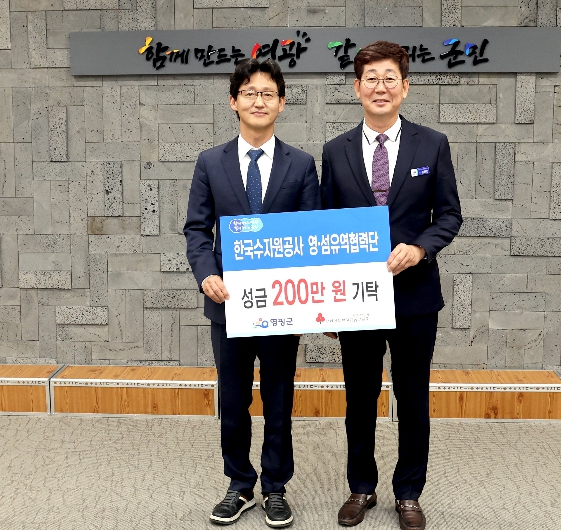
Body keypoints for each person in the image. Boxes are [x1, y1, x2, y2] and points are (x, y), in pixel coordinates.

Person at [320, 41, 462, 530]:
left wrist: (420, 248)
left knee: (413, 397)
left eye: (389, 79)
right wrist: (330, 305)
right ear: (356, 87)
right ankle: (361, 486)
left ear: (405, 87)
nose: (380, 87)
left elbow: (449, 216)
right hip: (357, 299)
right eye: (371, 79)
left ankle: (409, 492)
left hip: (415, 297)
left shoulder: (432, 144)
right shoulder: (335, 151)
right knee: (358, 397)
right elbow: (327, 229)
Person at [184, 58, 320, 528]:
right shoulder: (210, 162)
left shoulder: (301, 164)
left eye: (267, 93)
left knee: (279, 398)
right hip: (228, 304)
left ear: (281, 103)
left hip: (282, 305)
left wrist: (311, 303)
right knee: (235, 399)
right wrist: (206, 274)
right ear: (234, 102)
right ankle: (239, 484)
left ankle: (275, 487)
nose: (258, 100)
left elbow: (311, 238)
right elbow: (197, 230)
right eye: (249, 93)